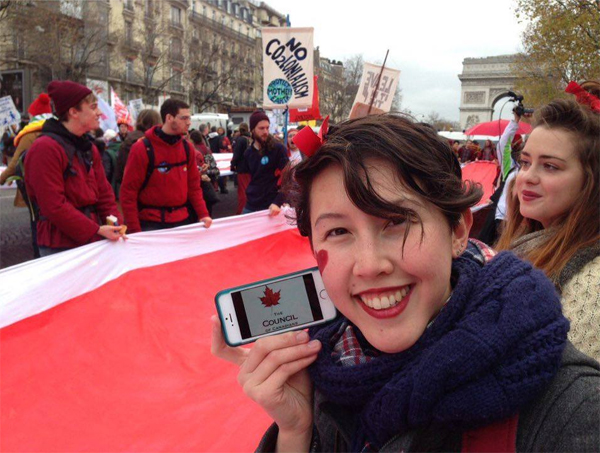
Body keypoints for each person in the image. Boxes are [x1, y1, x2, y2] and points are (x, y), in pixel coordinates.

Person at [212, 113, 599, 452]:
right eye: (338, 232)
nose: (368, 266)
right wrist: (295, 433)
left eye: (396, 222)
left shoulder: (574, 413)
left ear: (458, 231)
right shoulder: (328, 366)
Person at [496, 80, 600, 362]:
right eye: (526, 162)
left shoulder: (592, 284)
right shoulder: (523, 245)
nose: (527, 176)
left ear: (591, 182)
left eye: (550, 166)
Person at [24, 80, 124, 256]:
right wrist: (95, 230)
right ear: (73, 112)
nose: (99, 112)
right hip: (60, 245)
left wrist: (116, 225)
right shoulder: (45, 148)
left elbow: (104, 193)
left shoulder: (88, 147)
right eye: (93, 107)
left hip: (93, 240)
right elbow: (53, 206)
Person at [120, 98, 212, 233]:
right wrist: (135, 231)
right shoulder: (142, 148)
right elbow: (128, 192)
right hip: (151, 224)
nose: (189, 122)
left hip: (182, 221)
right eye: (184, 118)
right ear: (169, 118)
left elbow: (194, 186)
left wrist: (203, 214)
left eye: (189, 118)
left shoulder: (187, 148)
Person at [242, 110, 289, 216]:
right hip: (252, 205)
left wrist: (278, 202)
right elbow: (249, 178)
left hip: (272, 206)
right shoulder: (248, 153)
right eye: (261, 128)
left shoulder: (278, 149)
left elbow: (288, 178)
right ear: (252, 130)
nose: (266, 132)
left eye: (267, 128)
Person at [114, 109, 162, 192]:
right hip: (149, 190)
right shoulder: (151, 141)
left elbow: (119, 172)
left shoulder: (128, 140)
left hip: (130, 188)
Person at [190, 130, 219, 216]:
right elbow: (215, 169)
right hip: (208, 185)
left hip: (198, 186)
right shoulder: (207, 150)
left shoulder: (192, 151)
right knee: (208, 213)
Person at [230, 122, 251, 215]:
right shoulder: (250, 139)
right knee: (248, 189)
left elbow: (237, 154)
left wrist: (232, 164)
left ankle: (242, 211)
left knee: (242, 191)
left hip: (242, 168)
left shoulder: (240, 140)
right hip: (250, 167)